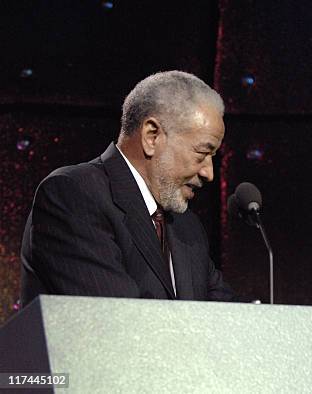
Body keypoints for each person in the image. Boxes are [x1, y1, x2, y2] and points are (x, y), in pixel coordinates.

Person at [20, 71, 236, 305]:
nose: (209, 173)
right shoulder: (73, 195)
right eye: (202, 153)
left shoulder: (187, 227)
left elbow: (226, 319)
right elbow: (119, 321)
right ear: (151, 136)